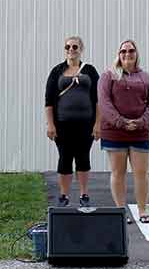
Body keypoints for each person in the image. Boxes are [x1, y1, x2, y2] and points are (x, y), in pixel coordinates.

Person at [98, 40, 149, 223]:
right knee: (118, 172)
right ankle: (120, 210)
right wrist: (121, 122)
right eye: (123, 51)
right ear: (118, 54)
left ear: (136, 54)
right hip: (114, 131)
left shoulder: (147, 78)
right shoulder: (108, 76)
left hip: (140, 131)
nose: (127, 54)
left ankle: (142, 211)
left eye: (131, 50)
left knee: (141, 172)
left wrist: (140, 122)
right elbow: (104, 102)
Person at [44, 36, 100, 207]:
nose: (71, 49)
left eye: (75, 46)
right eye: (67, 46)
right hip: (62, 124)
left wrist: (98, 124)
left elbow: (98, 100)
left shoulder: (89, 70)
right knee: (65, 158)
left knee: (83, 158)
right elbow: (49, 101)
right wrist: (51, 124)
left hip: (86, 124)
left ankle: (84, 195)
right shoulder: (57, 71)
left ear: (81, 49)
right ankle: (64, 196)